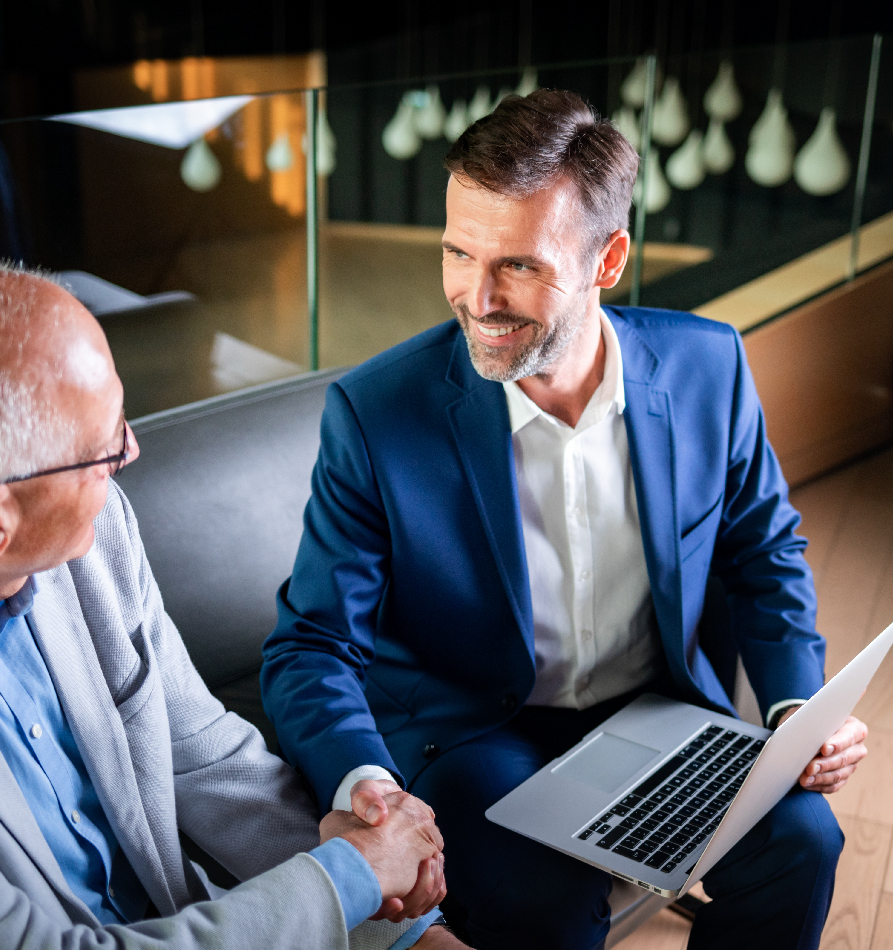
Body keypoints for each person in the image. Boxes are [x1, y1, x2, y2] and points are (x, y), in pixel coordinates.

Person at [261, 90, 869, 950]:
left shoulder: (709, 366)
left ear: (607, 259)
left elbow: (763, 552)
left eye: (519, 265)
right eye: (457, 252)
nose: (476, 297)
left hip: (654, 718)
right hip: (476, 735)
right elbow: (311, 644)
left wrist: (793, 708)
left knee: (802, 843)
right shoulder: (375, 413)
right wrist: (367, 784)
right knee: (543, 909)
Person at [0, 259, 465, 950]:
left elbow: (202, 753)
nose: (131, 450)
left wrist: (403, 924)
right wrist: (350, 876)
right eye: (103, 447)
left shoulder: (92, 533)